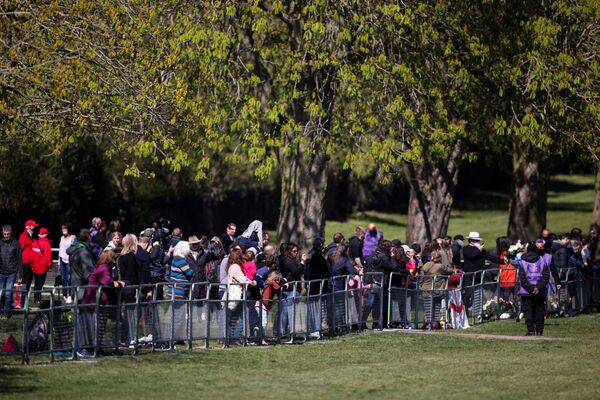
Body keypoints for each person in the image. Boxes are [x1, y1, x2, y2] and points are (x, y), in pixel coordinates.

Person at [78, 250, 124, 358]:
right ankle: (85, 349)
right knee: (92, 326)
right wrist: (116, 283)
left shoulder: (103, 267)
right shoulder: (103, 268)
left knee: (100, 326)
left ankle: (97, 348)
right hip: (92, 301)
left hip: (98, 301)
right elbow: (106, 281)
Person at [461, 232, 503, 309]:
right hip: (469, 276)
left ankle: (477, 311)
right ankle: (465, 311)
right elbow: (472, 256)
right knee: (468, 294)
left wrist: (502, 261)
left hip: (479, 276)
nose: (478, 242)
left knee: (478, 294)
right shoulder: (466, 248)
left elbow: (490, 257)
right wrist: (478, 250)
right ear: (471, 241)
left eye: (478, 241)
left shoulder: (481, 250)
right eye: (476, 241)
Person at [518, 244, 550, 336]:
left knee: (528, 311)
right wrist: (537, 288)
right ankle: (539, 331)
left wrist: (531, 289)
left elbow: (523, 279)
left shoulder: (522, 262)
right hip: (540, 291)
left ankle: (530, 330)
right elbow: (546, 276)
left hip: (526, 291)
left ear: (527, 250)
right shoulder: (542, 261)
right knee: (539, 311)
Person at [118, 234, 143, 346]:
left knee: (128, 313)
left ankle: (125, 338)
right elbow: (132, 274)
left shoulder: (121, 256)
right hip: (130, 286)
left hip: (124, 285)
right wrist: (137, 288)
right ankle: (127, 338)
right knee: (131, 314)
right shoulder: (131, 257)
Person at [166, 240, 193, 342]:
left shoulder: (176, 259)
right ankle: (173, 337)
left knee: (178, 315)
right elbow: (189, 272)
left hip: (177, 291)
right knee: (178, 315)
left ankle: (176, 337)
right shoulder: (179, 259)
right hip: (178, 291)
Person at [278, 243, 306, 341]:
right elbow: (296, 271)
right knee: (288, 312)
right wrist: (302, 262)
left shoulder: (285, 260)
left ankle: (282, 333)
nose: (296, 253)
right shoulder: (288, 261)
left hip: (288, 289)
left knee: (285, 312)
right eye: (294, 251)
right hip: (290, 290)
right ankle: (287, 333)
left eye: (296, 251)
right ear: (289, 251)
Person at [420, 250, 453, 329]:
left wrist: (421, 284)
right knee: (436, 306)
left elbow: (421, 276)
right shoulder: (440, 266)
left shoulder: (426, 265)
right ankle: (434, 323)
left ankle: (428, 323)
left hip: (425, 288)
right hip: (436, 289)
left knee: (427, 306)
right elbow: (450, 271)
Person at [304, 237, 329, 338]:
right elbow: (325, 272)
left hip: (311, 285)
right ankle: (316, 329)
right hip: (318, 286)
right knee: (318, 309)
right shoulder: (317, 257)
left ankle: (313, 329)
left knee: (313, 308)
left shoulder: (310, 255)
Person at [329, 244, 358, 333]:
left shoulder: (331, 257)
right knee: (340, 308)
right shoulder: (344, 260)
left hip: (330, 285)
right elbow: (352, 271)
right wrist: (358, 271)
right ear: (345, 251)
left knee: (333, 307)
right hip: (339, 286)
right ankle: (340, 326)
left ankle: (334, 326)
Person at [67, 229, 97, 302]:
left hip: (76, 287)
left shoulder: (76, 249)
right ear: (89, 238)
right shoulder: (83, 252)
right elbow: (88, 273)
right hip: (83, 291)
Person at [0, 225, 22, 319]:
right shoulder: (0, 243)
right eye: (5, 234)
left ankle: (5, 314)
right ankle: (7, 309)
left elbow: (19, 259)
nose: (6, 236)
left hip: (11, 272)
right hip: (1, 272)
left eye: (8, 234)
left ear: (11, 233)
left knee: (8, 293)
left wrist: (20, 274)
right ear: (2, 233)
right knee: (1, 293)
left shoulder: (16, 243)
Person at [30, 227, 53, 304]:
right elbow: (48, 257)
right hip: (42, 268)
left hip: (34, 267)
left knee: (36, 283)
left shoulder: (34, 243)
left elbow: (31, 255)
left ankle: (36, 298)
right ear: (45, 234)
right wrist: (49, 266)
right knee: (40, 284)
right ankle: (37, 299)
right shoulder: (46, 244)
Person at [18, 219, 37, 308]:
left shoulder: (31, 236)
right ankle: (22, 305)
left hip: (30, 263)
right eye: (33, 226)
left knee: (28, 284)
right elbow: (20, 249)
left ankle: (24, 305)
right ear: (28, 226)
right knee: (24, 284)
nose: (34, 228)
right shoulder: (24, 236)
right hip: (25, 263)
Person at [58, 223, 76, 303]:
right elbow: (60, 249)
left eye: (64, 228)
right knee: (63, 278)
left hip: (69, 260)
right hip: (62, 260)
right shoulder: (61, 238)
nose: (63, 230)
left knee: (69, 278)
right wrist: (59, 261)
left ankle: (70, 295)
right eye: (62, 228)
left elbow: (74, 249)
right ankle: (65, 294)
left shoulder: (73, 237)